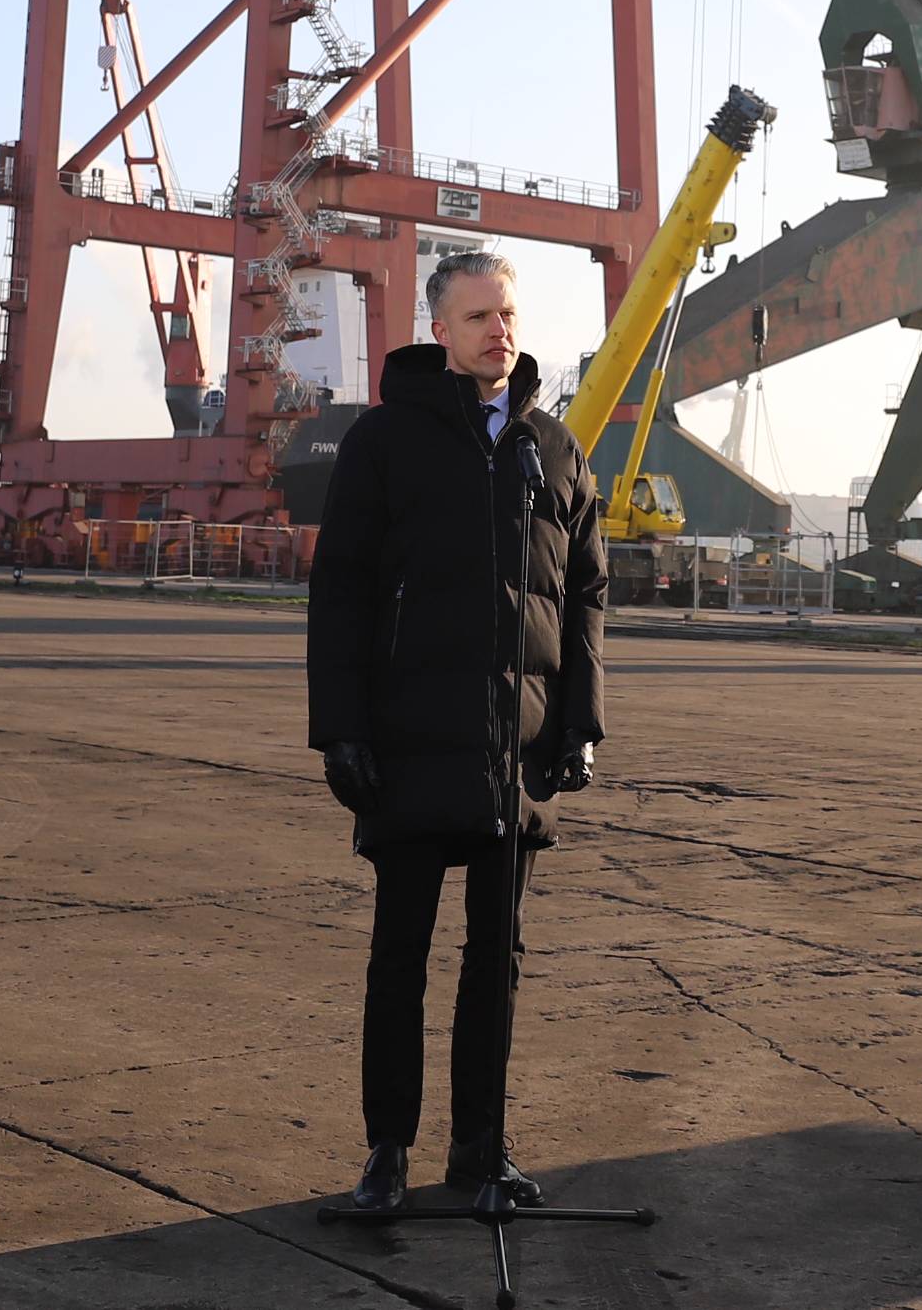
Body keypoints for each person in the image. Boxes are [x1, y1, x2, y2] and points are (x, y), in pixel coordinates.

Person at [305, 249, 608, 1211]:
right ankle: (387, 1152)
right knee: (400, 954)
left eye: (507, 314)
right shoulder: (384, 441)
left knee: (496, 960)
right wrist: (341, 730)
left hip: (517, 752)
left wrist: (580, 725)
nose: (498, 331)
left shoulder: (553, 449)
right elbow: (341, 591)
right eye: (478, 317)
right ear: (439, 331)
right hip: (407, 740)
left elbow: (586, 598)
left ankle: (481, 1151)